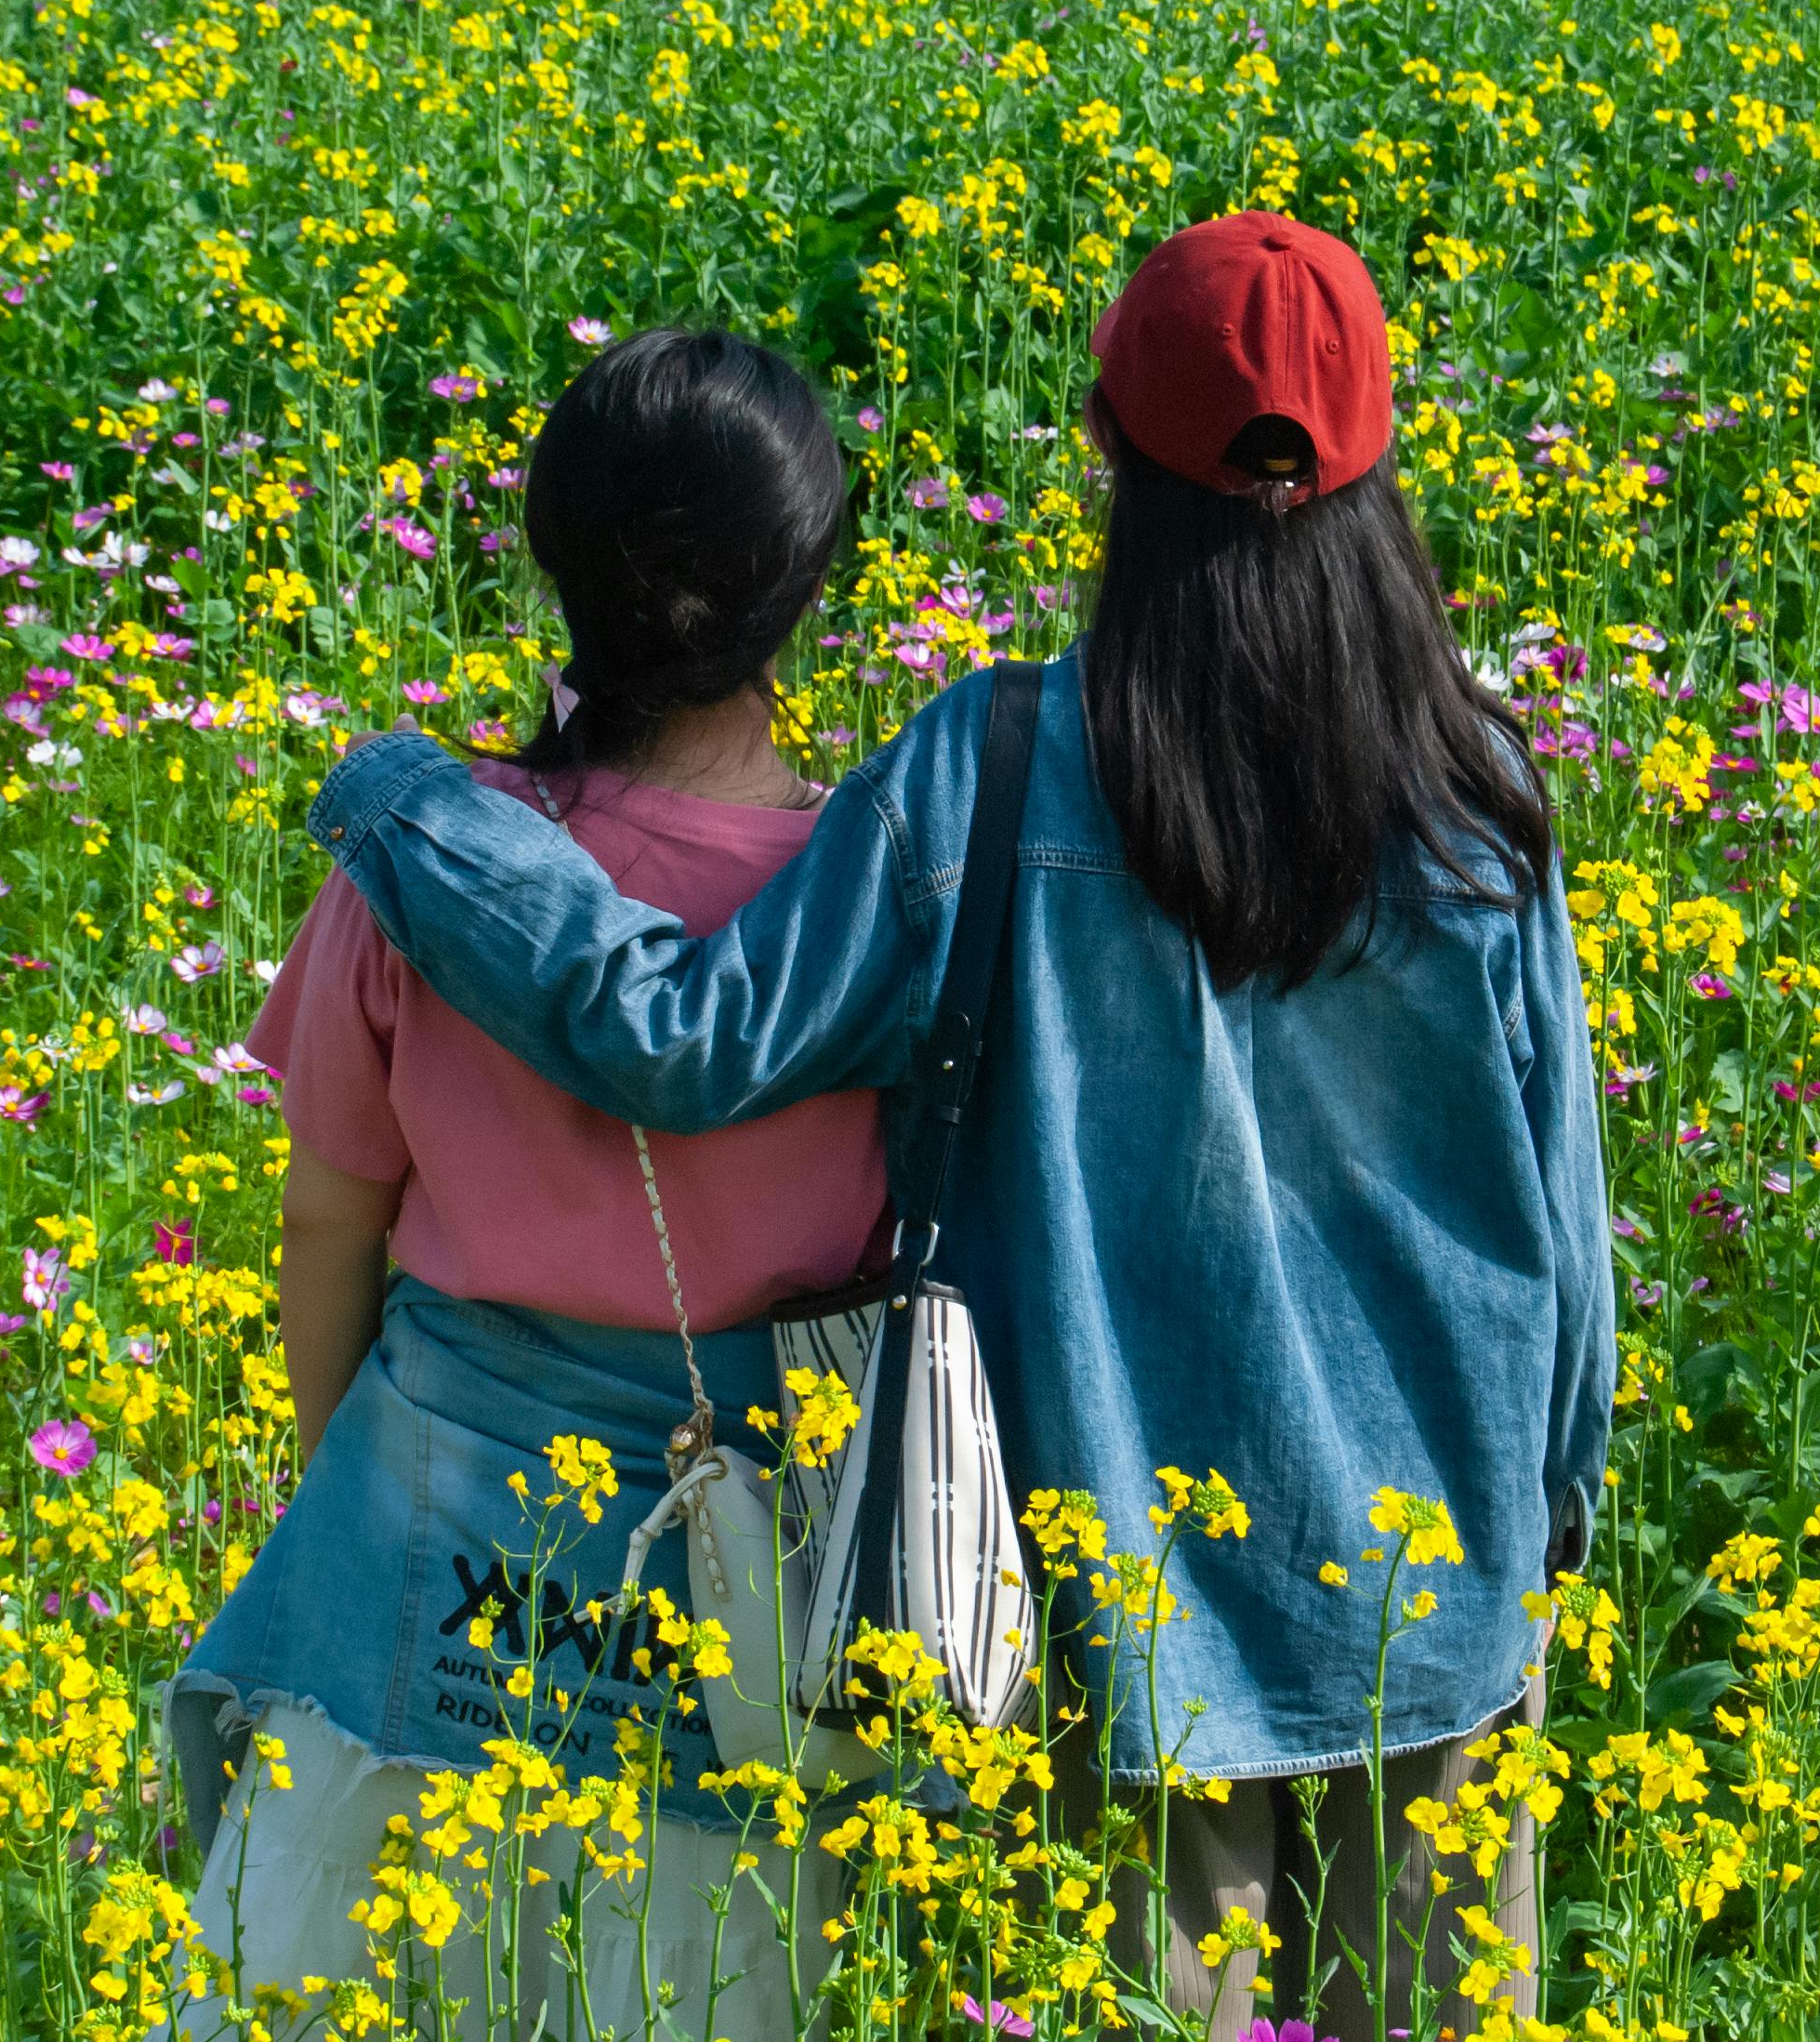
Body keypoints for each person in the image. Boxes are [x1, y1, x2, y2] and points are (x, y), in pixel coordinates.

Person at [304, 213, 1616, 2038]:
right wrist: (1549, 1518)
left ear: (1107, 457)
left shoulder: (993, 769)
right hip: (1438, 1600)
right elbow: (1561, 1238)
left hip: (1122, 1632)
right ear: (1381, 465)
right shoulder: (1483, 804)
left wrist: (410, 805)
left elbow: (678, 1040)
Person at [165, 328, 886, 2039]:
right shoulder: (873, 908)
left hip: (423, 1523)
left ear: (552, 562)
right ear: (813, 586)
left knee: (339, 1989)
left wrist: (347, 1490)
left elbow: (329, 1224)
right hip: (754, 1588)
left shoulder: (433, 870)